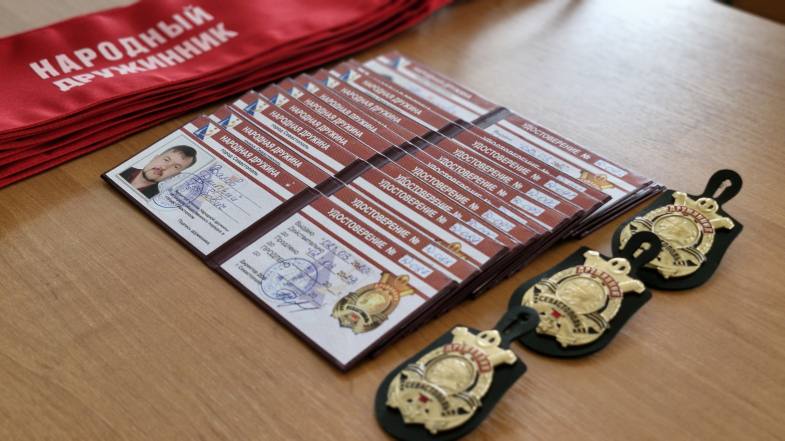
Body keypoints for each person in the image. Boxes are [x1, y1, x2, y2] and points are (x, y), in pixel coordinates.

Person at [119, 145, 197, 198]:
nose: (164, 167)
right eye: (166, 160)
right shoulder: (120, 169)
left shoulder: (154, 199)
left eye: (175, 167)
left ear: (175, 175)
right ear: (155, 158)